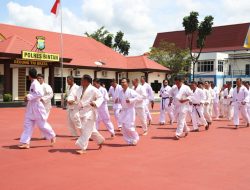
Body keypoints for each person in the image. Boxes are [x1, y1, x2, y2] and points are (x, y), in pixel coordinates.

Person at [18, 68, 56, 149]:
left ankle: (52, 135)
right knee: (27, 125)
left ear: (29, 75)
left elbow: (40, 94)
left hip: (37, 107)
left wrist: (28, 97)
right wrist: (29, 97)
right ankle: (25, 142)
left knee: (42, 125)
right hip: (31, 107)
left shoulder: (36, 84)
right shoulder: (33, 83)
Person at [68, 75, 105, 154]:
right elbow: (71, 95)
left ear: (87, 81)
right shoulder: (78, 89)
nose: (81, 81)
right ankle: (100, 140)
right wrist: (70, 100)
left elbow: (101, 97)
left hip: (90, 112)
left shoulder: (93, 89)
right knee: (90, 130)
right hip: (80, 112)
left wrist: (95, 103)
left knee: (86, 130)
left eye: (82, 80)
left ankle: (83, 148)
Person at [118, 78, 140, 145]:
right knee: (124, 128)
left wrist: (130, 100)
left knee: (129, 126)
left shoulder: (131, 91)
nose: (122, 84)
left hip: (130, 110)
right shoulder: (120, 92)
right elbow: (121, 100)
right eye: (121, 82)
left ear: (127, 83)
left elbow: (138, 97)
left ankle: (135, 138)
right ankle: (129, 141)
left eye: (124, 82)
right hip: (123, 110)